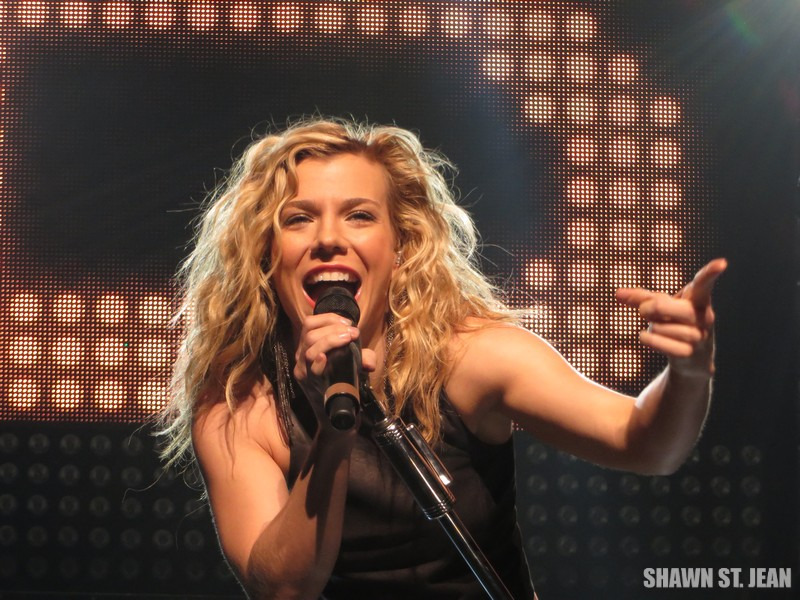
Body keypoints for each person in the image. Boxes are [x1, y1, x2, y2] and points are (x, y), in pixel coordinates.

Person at [157, 117, 726, 600]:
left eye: (359, 215)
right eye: (298, 218)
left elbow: (647, 445)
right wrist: (334, 437)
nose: (328, 238)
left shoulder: (472, 355)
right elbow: (282, 588)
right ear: (264, 254)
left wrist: (690, 373)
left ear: (401, 250)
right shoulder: (237, 400)